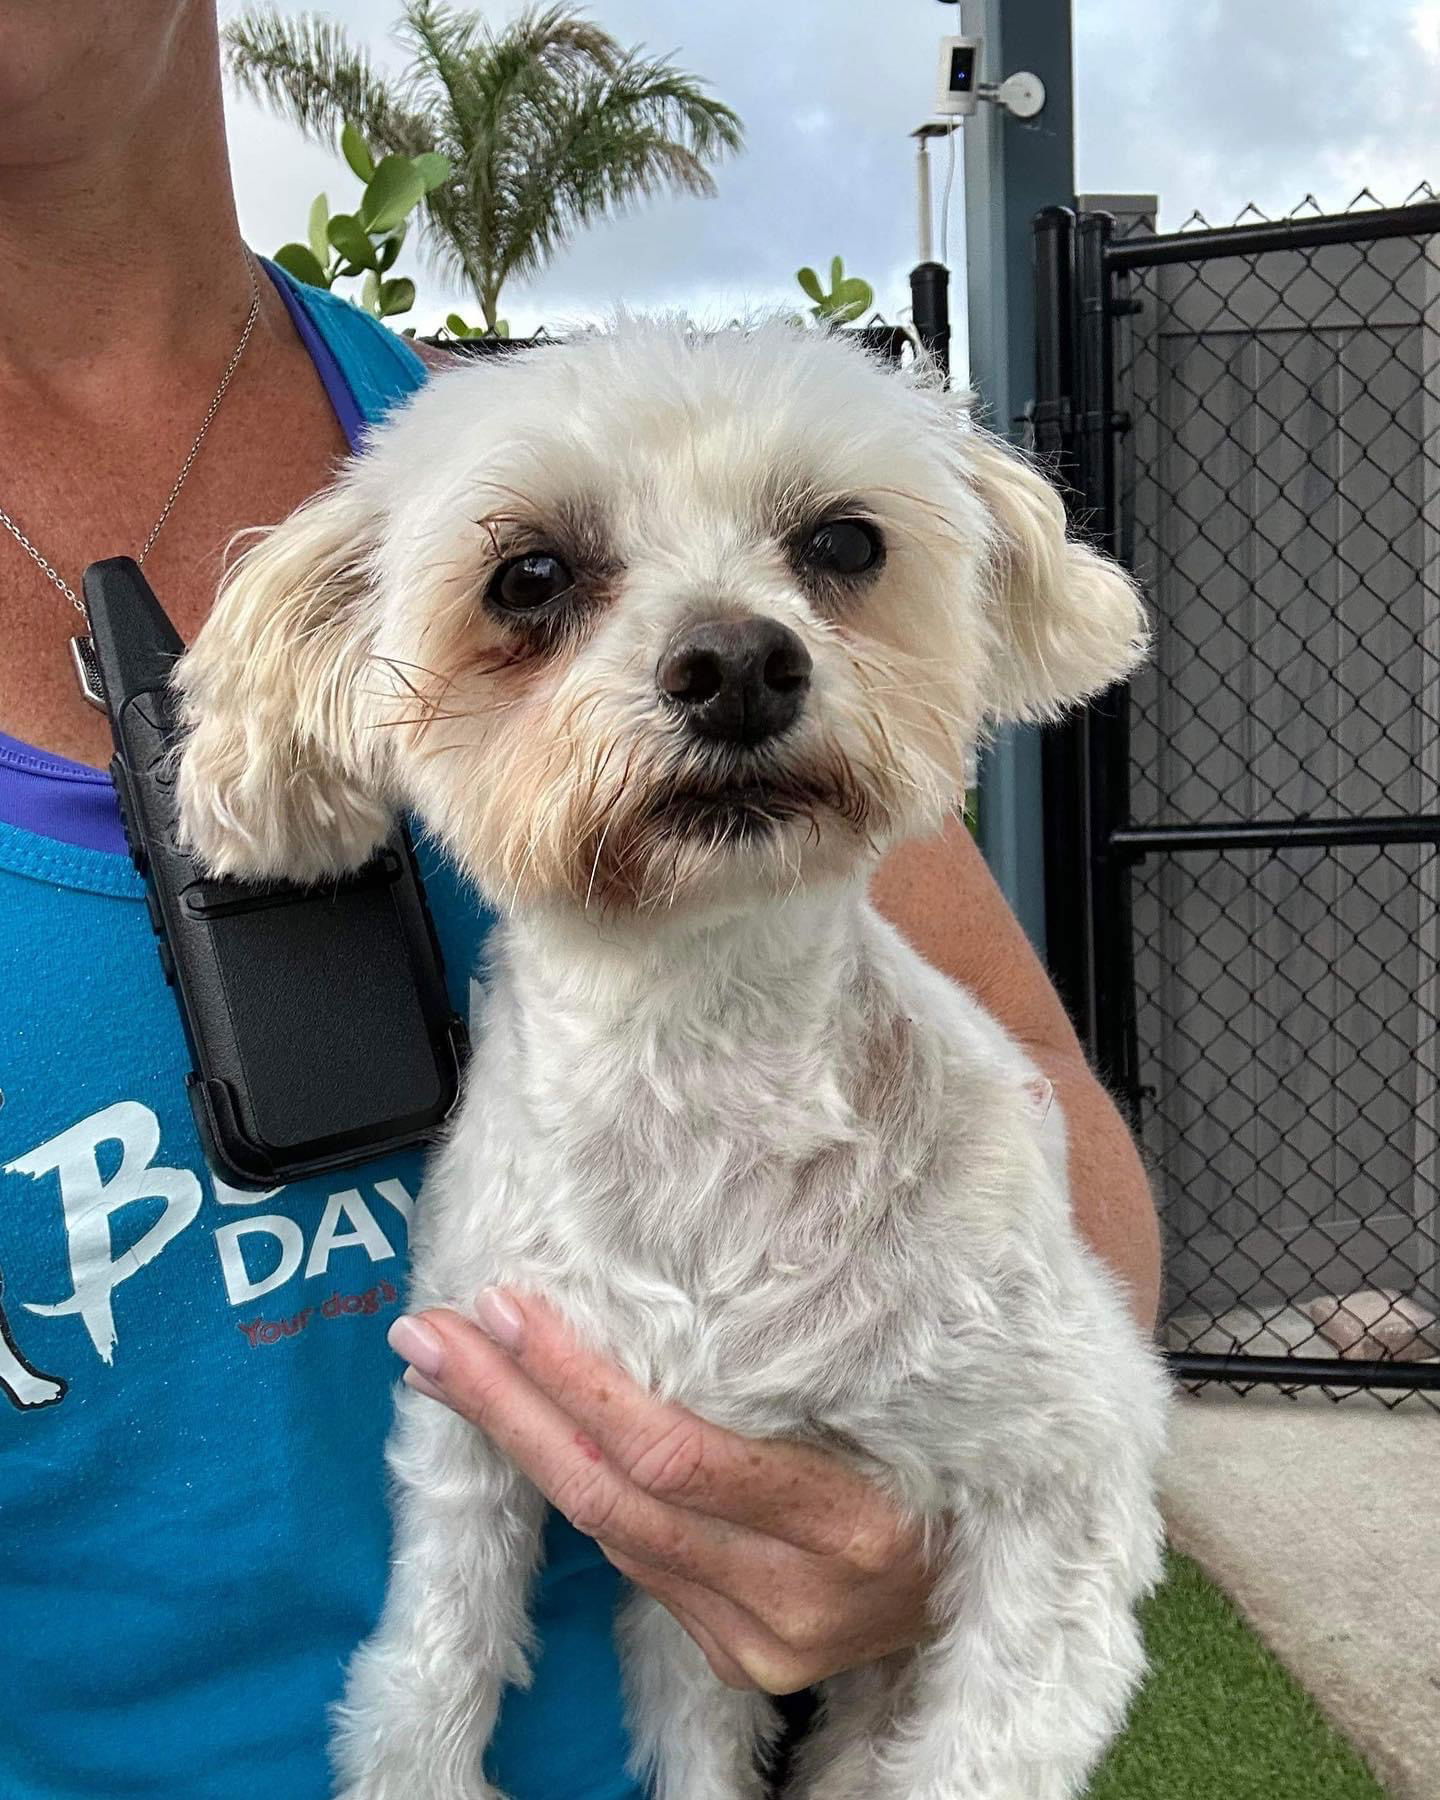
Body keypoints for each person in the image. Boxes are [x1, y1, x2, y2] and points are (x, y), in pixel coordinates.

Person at [0, 4, 1162, 1797]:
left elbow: (1048, 1176)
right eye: (539, 588)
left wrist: (953, 1540)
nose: (729, 655)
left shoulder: (492, 440)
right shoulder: (419, 518)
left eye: (834, 557)